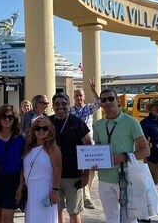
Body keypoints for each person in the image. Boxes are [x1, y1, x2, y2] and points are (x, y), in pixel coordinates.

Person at [93, 89, 150, 223]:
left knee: (130, 218)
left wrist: (123, 157)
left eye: (111, 99)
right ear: (101, 104)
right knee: (111, 218)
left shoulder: (131, 122)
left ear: (118, 101)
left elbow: (145, 150)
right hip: (105, 178)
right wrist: (94, 162)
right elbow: (98, 149)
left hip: (126, 177)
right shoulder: (98, 125)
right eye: (104, 100)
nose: (107, 102)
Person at [49, 92, 91, 223]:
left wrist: (86, 175)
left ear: (69, 105)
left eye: (64, 104)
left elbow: (88, 148)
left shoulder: (77, 122)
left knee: (74, 211)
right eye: (57, 104)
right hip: (52, 175)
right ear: (53, 106)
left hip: (73, 175)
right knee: (57, 210)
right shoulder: (48, 122)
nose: (60, 107)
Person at [23, 116, 62, 223]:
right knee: (32, 218)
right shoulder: (29, 146)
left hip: (46, 188)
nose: (41, 131)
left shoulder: (52, 147)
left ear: (50, 130)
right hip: (30, 189)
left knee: (45, 218)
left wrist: (55, 190)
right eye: (38, 128)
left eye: (45, 128)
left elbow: (57, 169)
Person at [70, 78, 100, 209]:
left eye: (80, 95)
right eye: (76, 95)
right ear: (74, 97)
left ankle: (85, 195)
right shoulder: (70, 110)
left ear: (84, 96)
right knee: (80, 171)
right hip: (75, 145)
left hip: (88, 144)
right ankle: (85, 197)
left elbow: (99, 103)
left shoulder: (88, 108)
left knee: (91, 171)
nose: (78, 97)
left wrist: (94, 91)